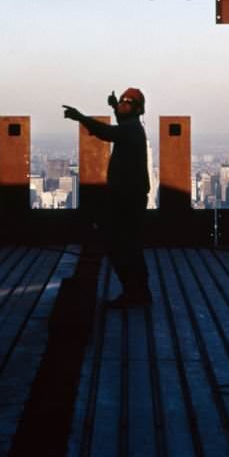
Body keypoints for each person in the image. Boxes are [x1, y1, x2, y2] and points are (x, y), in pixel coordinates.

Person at [63, 87, 152, 309]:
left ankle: (134, 292)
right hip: (128, 197)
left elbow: (107, 132)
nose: (123, 103)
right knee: (129, 247)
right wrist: (114, 106)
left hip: (127, 200)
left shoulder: (131, 129)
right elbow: (120, 125)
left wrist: (80, 117)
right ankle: (139, 292)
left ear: (138, 109)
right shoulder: (131, 127)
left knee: (120, 247)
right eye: (121, 100)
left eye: (127, 102)